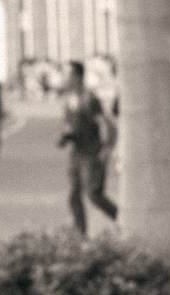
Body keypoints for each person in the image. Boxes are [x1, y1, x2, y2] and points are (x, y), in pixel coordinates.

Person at [58, 60, 117, 236]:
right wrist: (65, 137)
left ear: (76, 76)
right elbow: (71, 125)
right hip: (76, 153)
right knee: (73, 195)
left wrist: (107, 148)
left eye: (67, 74)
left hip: (91, 153)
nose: (64, 78)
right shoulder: (69, 99)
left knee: (94, 194)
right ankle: (80, 235)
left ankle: (124, 220)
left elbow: (107, 124)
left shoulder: (89, 98)